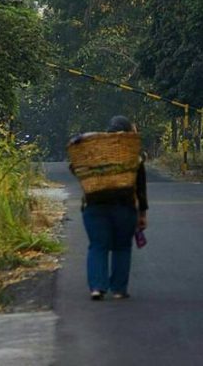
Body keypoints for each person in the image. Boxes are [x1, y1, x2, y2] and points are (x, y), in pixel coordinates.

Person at [70, 115, 148, 301]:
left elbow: (76, 169)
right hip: (124, 206)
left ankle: (97, 288)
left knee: (98, 245)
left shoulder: (94, 151)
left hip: (94, 206)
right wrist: (142, 213)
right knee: (122, 247)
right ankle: (119, 290)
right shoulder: (133, 155)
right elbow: (141, 186)